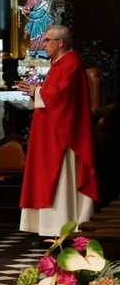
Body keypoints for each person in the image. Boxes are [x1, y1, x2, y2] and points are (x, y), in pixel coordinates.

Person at [16, 25, 99, 237]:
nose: (43, 44)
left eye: (47, 40)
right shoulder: (58, 65)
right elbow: (51, 94)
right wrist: (37, 92)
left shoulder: (71, 65)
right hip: (49, 133)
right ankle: (46, 228)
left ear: (60, 43)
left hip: (64, 136)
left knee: (61, 179)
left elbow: (62, 98)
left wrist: (37, 91)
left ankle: (61, 228)